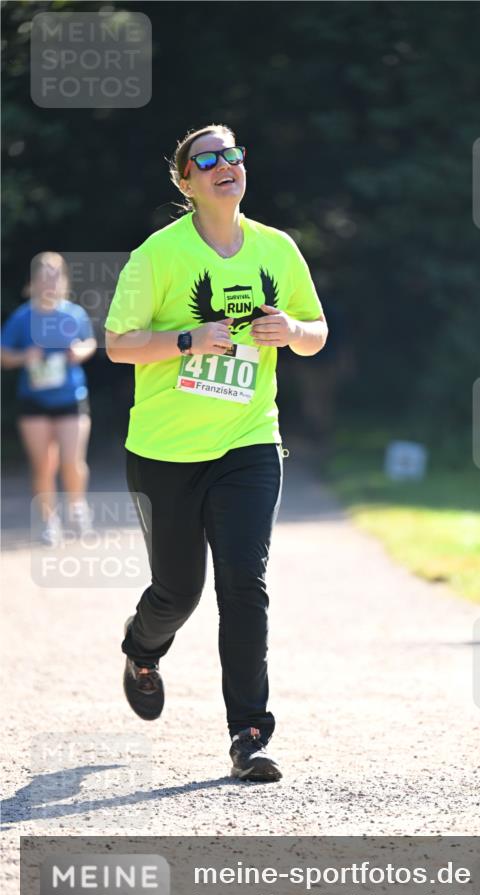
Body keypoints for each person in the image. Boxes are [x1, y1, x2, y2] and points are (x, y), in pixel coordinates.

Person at [104, 123, 327, 782]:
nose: (225, 165)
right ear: (185, 182)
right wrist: (186, 340)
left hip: (248, 441)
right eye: (208, 159)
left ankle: (249, 735)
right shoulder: (157, 255)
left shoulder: (276, 250)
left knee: (244, 585)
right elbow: (118, 344)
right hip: (164, 451)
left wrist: (291, 331)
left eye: (232, 154)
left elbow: (315, 334)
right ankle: (142, 650)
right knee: (178, 592)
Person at [0, 252, 96, 545]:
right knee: (43, 464)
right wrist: (24, 357)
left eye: (55, 276)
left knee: (71, 460)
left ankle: (78, 509)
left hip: (71, 397)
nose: (49, 282)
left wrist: (79, 352)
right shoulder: (22, 317)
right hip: (35, 403)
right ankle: (48, 520)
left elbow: (89, 342)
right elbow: (4, 355)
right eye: (44, 276)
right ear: (33, 283)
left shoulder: (74, 313)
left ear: (64, 280)